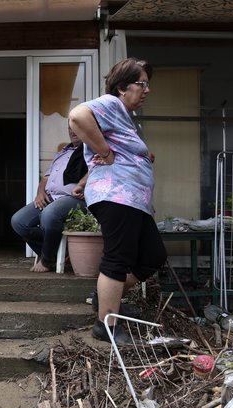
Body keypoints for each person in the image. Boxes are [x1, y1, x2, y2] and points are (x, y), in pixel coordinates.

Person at [68, 58, 167, 345]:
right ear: (122, 87)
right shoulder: (111, 103)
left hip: (131, 199)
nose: (147, 90)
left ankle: (105, 297)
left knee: (152, 256)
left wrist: (140, 157)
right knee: (118, 258)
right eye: (142, 84)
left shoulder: (122, 115)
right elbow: (77, 116)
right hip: (117, 197)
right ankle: (106, 323)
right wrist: (106, 152)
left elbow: (102, 160)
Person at [10, 126, 87, 273]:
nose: (72, 131)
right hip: (50, 197)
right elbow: (45, 178)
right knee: (18, 221)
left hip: (74, 199)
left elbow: (96, 170)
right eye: (70, 128)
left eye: (76, 127)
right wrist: (40, 193)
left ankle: (47, 260)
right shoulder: (62, 153)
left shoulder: (90, 150)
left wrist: (83, 185)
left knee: (49, 214)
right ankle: (61, 251)